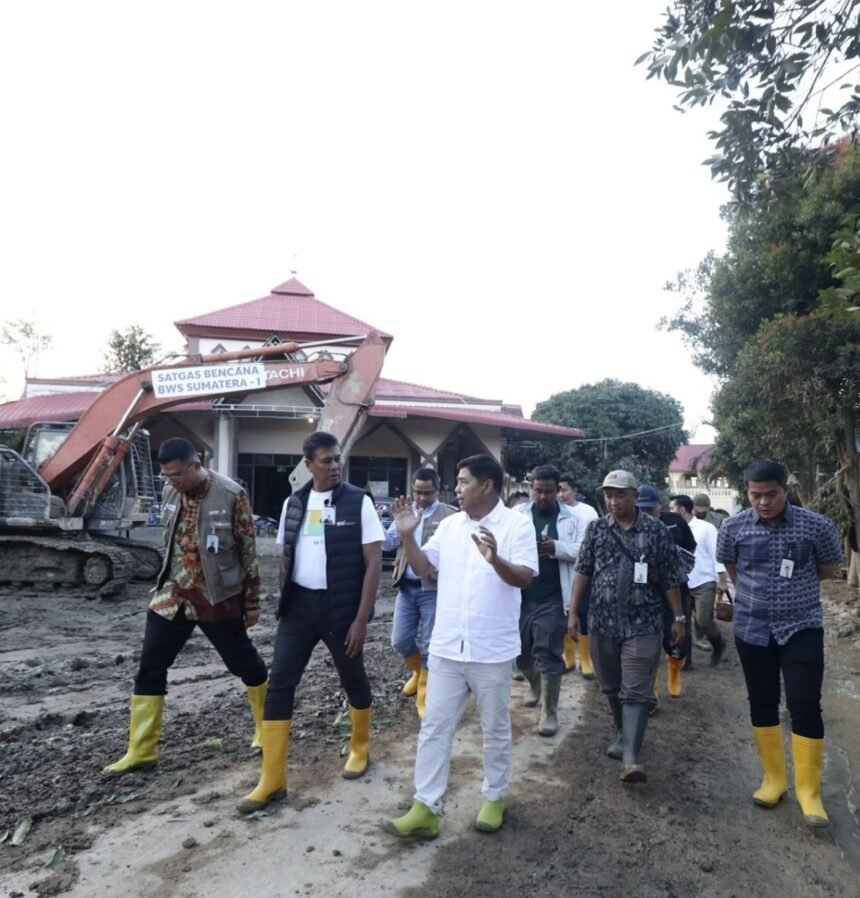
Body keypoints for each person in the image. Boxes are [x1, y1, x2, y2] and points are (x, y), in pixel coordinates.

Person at [384, 454, 538, 838]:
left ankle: (494, 796)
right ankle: (425, 806)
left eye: (463, 481)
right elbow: (423, 569)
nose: (457, 488)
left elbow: (523, 578)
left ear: (486, 486)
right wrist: (406, 535)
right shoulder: (451, 525)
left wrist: (495, 559)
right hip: (448, 645)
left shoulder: (517, 525)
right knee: (435, 726)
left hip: (492, 648)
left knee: (495, 726)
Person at [237, 431, 384, 813]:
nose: (334, 466)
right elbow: (286, 555)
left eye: (338, 459)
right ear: (308, 465)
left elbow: (373, 565)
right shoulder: (294, 503)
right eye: (326, 461)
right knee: (280, 684)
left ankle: (360, 748)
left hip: (341, 609)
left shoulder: (358, 502)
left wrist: (361, 620)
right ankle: (272, 779)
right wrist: (284, 595)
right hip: (299, 608)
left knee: (352, 677)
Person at [104, 438, 267, 774]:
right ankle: (141, 750)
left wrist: (251, 602)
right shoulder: (170, 493)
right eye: (167, 477)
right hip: (172, 594)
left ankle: (268, 728)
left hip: (216, 595)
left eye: (177, 475)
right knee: (150, 666)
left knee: (244, 664)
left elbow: (249, 551)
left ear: (196, 464)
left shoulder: (231, 494)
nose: (172, 482)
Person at [716, 459, 842, 827]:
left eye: (771, 494)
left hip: (801, 627)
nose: (764, 502)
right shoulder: (733, 526)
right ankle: (774, 780)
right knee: (762, 701)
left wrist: (791, 595)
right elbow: (732, 568)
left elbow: (828, 569)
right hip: (752, 629)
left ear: (785, 489)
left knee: (804, 703)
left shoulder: (816, 525)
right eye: (756, 495)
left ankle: (809, 791)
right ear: (747, 492)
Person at [569, 470, 685, 784]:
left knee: (635, 689)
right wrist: (573, 613)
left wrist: (678, 617)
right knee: (611, 685)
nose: (613, 500)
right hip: (602, 622)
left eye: (620, 494)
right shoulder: (595, 530)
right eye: (608, 494)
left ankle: (632, 758)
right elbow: (583, 571)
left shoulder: (657, 530)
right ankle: (623, 732)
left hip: (644, 623)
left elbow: (670, 577)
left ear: (635, 496)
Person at [515, 465, 584, 735]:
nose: (543, 497)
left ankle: (550, 711)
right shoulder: (517, 515)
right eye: (538, 491)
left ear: (559, 491)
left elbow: (582, 552)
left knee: (548, 652)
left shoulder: (573, 519)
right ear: (531, 488)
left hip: (553, 596)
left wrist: (555, 547)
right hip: (519, 596)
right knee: (520, 655)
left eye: (549, 491)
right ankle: (535, 685)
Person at [382, 468, 456, 717]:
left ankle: (425, 693)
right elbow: (387, 542)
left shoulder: (451, 516)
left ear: (438, 490)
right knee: (400, 640)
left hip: (434, 589)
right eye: (417, 492)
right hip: (406, 586)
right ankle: (417, 672)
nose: (422, 498)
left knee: (429, 644)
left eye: (427, 493)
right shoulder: (405, 511)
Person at [636, 485, 696, 698]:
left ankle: (674, 670)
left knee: (678, 637)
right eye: (640, 509)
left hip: (675, 589)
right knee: (644, 643)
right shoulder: (632, 525)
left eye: (649, 509)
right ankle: (651, 688)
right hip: (644, 591)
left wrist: (675, 561)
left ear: (659, 504)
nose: (645, 513)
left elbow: (691, 547)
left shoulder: (675, 521)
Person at [670, 494, 728, 664]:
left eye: (672, 508)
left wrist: (722, 579)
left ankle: (719, 645)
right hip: (682, 582)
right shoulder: (672, 528)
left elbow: (717, 554)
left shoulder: (706, 528)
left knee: (704, 619)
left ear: (682, 509)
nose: (670, 511)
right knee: (684, 622)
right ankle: (685, 660)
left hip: (704, 581)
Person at [558, 473, 597, 677]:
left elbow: (583, 549)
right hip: (558, 573)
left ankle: (586, 659)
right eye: (558, 490)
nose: (560, 494)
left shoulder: (587, 512)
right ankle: (569, 658)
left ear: (575, 490)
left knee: (582, 613)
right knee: (563, 615)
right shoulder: (553, 511)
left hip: (582, 575)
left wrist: (556, 548)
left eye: (564, 489)